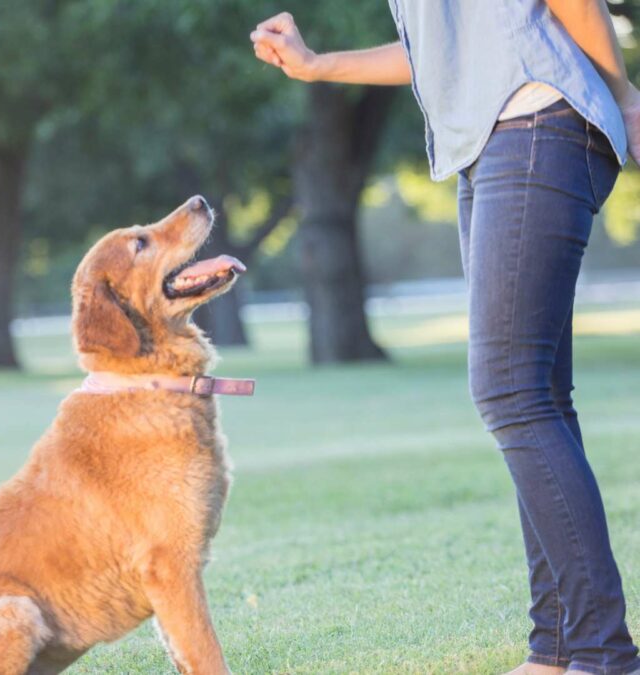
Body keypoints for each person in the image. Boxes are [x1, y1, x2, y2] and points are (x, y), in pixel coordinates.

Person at [251, 3, 640, 674]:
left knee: (509, 389)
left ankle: (606, 654)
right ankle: (554, 647)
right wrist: (318, 66)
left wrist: (626, 93)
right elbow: (441, 53)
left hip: (538, 118)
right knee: (538, 393)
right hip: (492, 140)